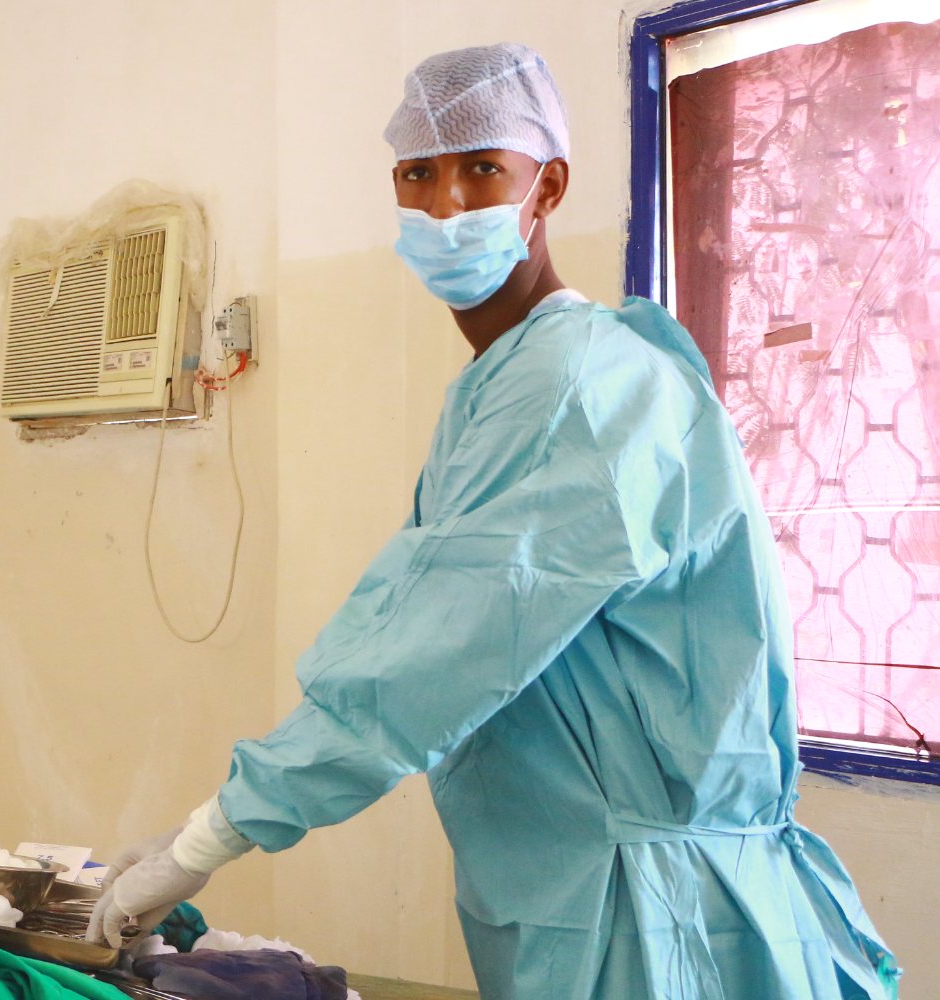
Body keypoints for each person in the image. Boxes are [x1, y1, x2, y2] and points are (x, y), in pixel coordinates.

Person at [88, 44, 900, 1000]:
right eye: (416, 174)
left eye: (480, 169)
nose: (444, 204)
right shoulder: (510, 380)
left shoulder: (573, 387)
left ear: (546, 186)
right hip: (592, 887)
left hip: (650, 919)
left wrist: (204, 841)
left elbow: (428, 656)